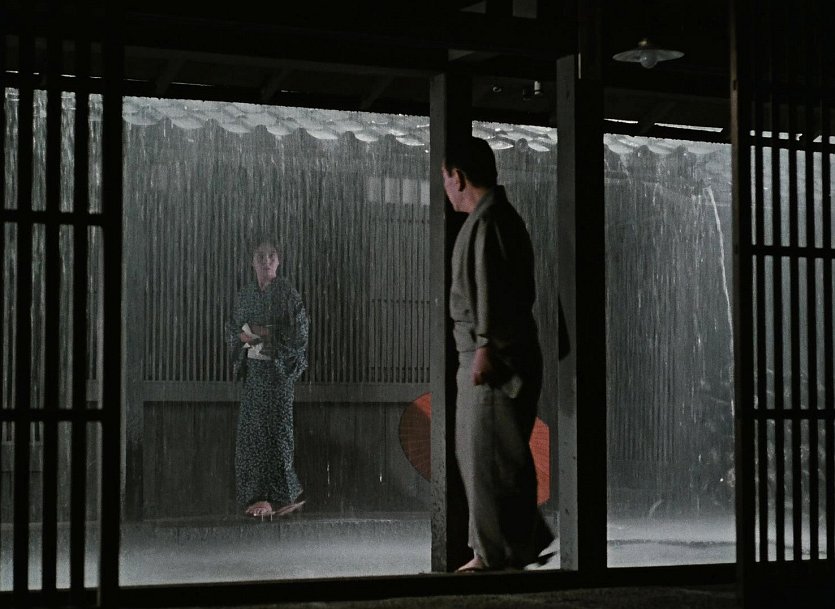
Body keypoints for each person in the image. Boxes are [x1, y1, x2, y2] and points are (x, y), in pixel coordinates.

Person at [442, 136, 554, 571]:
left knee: (488, 458)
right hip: (486, 351)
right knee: (491, 456)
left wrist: (487, 345)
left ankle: (495, 556)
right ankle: (513, 543)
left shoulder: (490, 222)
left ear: (458, 177)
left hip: (489, 356)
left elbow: (494, 289)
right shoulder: (494, 218)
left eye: (445, 178)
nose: (445, 188)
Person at [227, 239, 309, 519]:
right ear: (253, 261)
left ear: (279, 261)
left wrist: (266, 334)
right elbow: (232, 330)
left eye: (271, 255)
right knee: (251, 434)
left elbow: (300, 334)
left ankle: (279, 497)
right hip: (254, 374)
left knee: (277, 433)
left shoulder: (288, 294)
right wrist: (243, 336)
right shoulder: (246, 295)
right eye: (260, 256)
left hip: (278, 374)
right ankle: (256, 496)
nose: (266, 261)